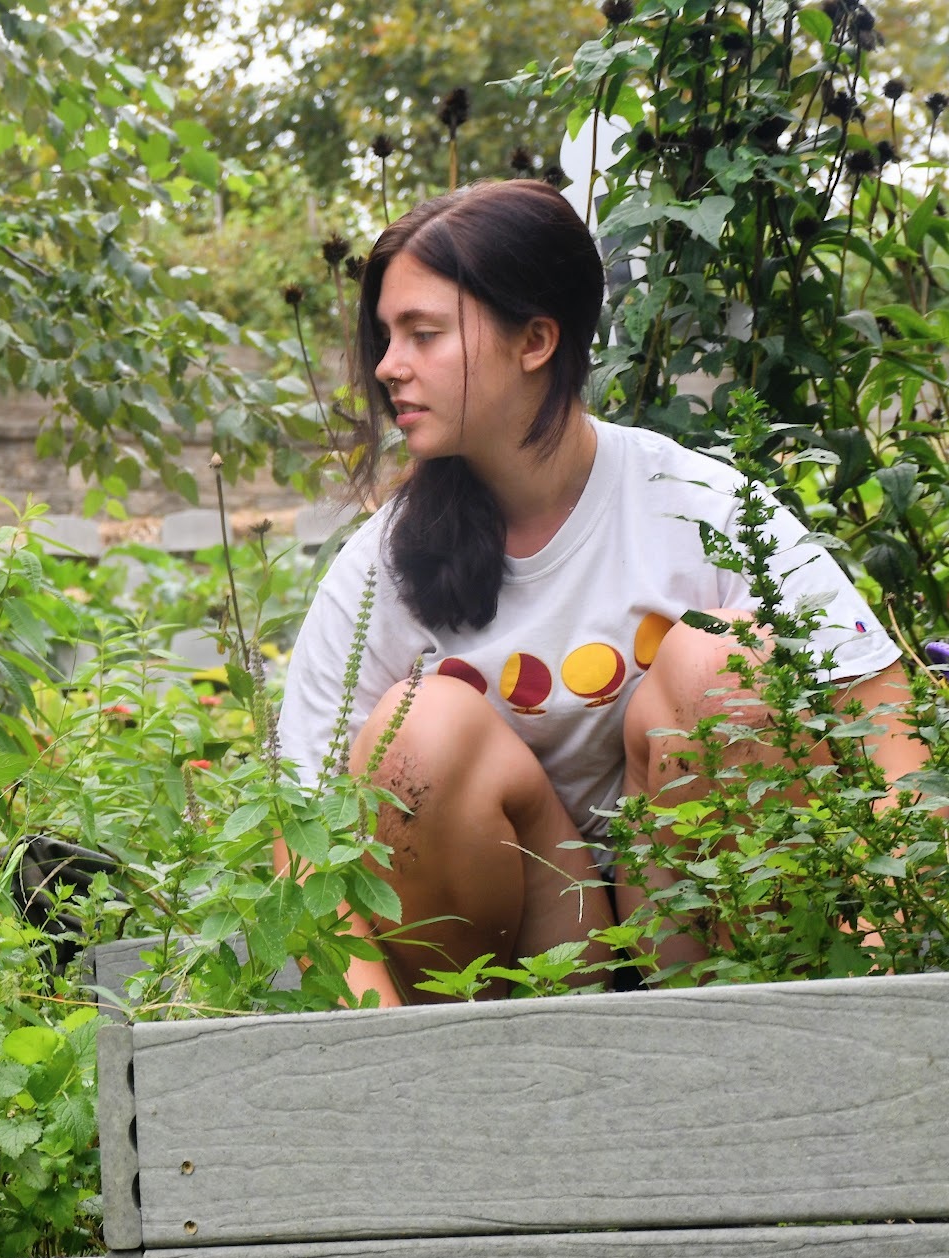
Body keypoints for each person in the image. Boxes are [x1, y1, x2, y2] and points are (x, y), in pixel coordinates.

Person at [276, 180, 922, 1005]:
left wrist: (888, 992)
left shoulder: (695, 506)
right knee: (419, 729)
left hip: (703, 939)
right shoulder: (380, 569)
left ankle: (760, 1032)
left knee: (727, 659)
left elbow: (888, 725)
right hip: (517, 974)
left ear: (536, 340)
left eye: (424, 334)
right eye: (387, 336)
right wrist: (387, 1065)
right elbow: (298, 843)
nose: (387, 367)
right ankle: (490, 1079)